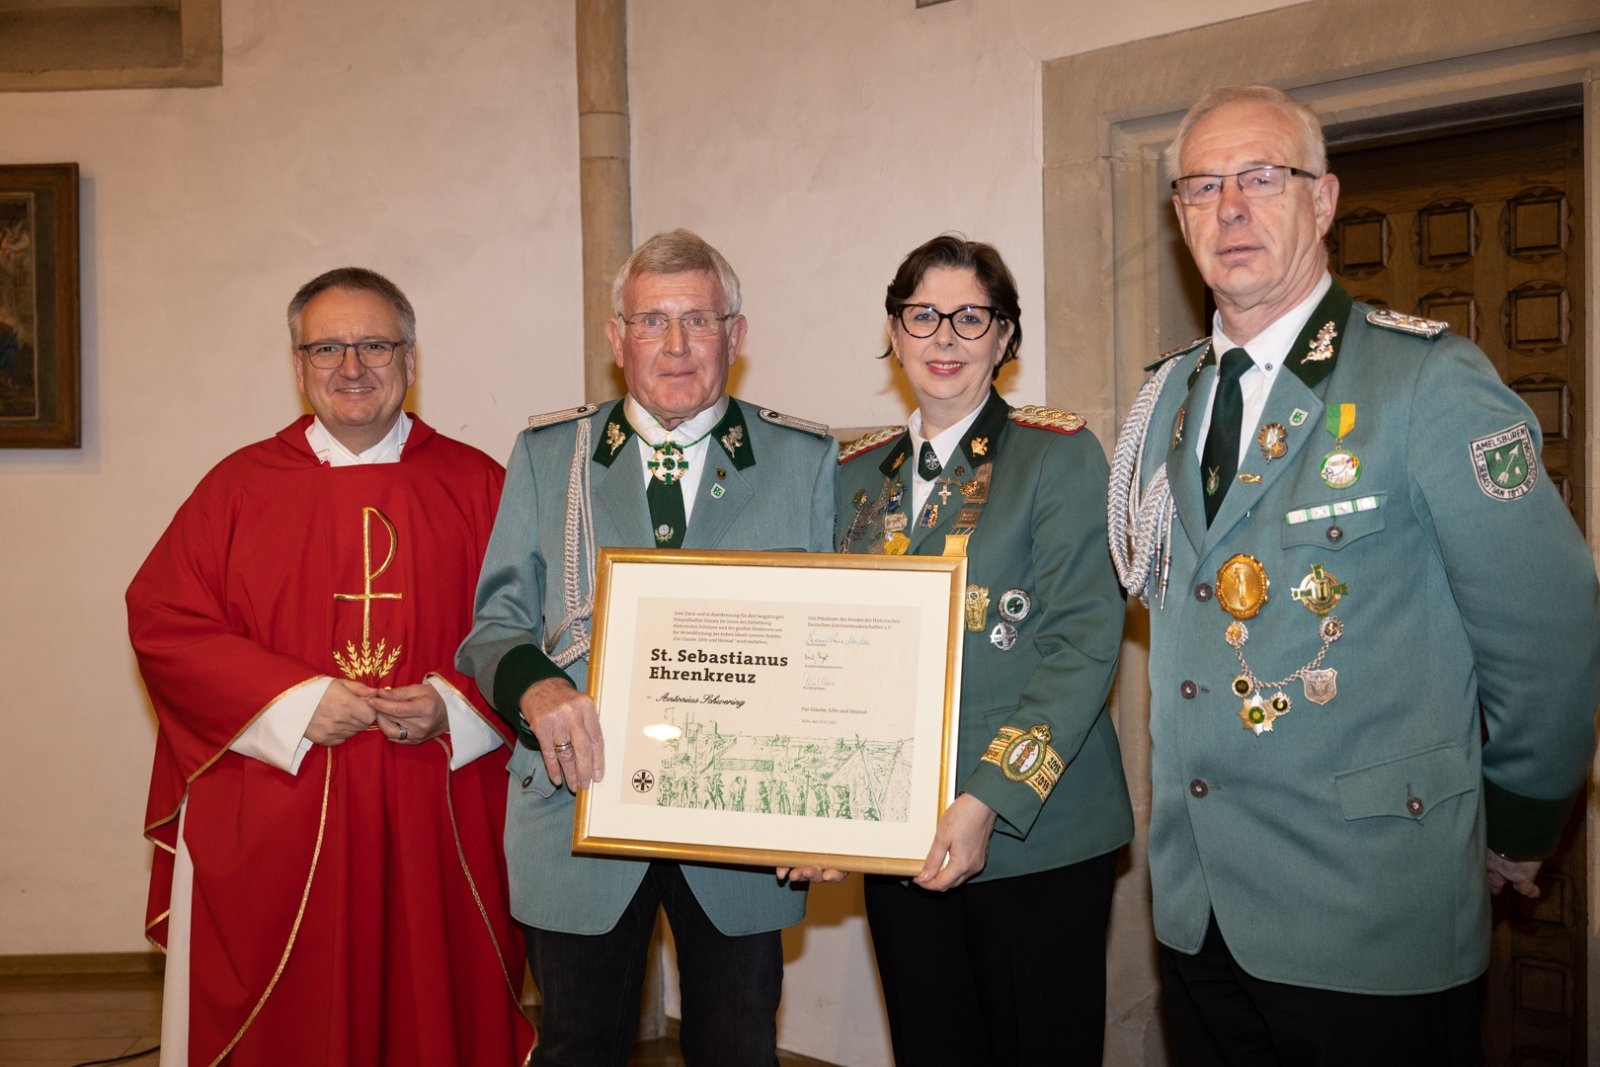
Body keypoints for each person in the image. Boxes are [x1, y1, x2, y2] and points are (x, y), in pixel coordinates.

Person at [1108, 85, 1600, 1065]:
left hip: (1368, 914)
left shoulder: (1425, 382)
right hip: (1199, 910)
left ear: (1323, 200)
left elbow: (1549, 636)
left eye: (1260, 178)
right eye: (1201, 186)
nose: (1229, 208)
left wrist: (1518, 825)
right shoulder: (1166, 401)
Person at [127, 267, 534, 1066]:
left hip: (434, 804)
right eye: (328, 347)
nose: (352, 366)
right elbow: (165, 622)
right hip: (286, 800)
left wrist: (453, 708)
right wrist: (293, 702)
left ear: (411, 359)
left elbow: (536, 630)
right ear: (298, 363)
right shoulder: (238, 489)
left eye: (375, 343)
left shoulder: (480, 485)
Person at [457, 229, 836, 1067]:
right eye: (652, 321)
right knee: (578, 1046)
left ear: (735, 335)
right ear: (615, 337)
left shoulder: (804, 461)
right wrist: (537, 690)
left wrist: (829, 803)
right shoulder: (551, 455)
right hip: (577, 807)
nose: (675, 345)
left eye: (698, 321)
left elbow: (835, 641)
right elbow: (493, 626)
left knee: (738, 1049)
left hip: (745, 827)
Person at [836, 234, 1132, 1064]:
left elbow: (1082, 645)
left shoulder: (1057, 455)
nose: (943, 339)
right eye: (922, 315)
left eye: (971, 318)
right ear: (894, 332)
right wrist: (822, 812)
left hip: (1038, 834)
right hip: (898, 832)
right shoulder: (852, 475)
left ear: (1005, 338)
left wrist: (987, 799)